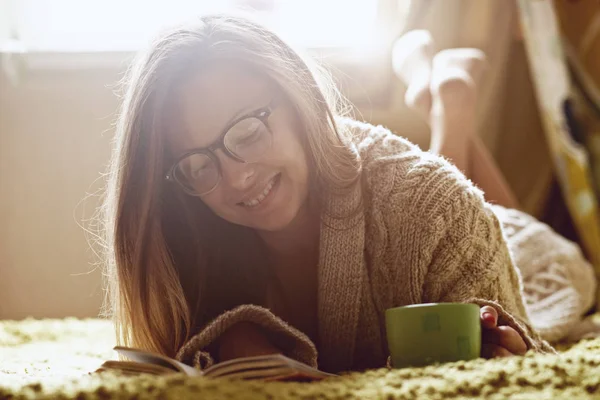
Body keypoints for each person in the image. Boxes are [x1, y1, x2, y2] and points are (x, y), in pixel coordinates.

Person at [101, 14, 595, 374]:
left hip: (530, 258)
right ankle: (443, 103)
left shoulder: (435, 204)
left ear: (299, 100)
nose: (237, 178)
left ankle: (451, 110)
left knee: (457, 204)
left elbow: (531, 369)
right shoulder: (189, 232)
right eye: (197, 164)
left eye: (248, 133)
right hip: (432, 205)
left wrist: (510, 353)